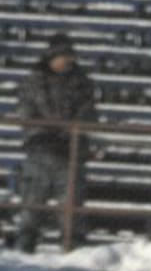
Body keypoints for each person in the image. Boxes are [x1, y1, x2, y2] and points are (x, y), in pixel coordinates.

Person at [16, 32, 97, 253]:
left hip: (70, 151)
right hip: (40, 150)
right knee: (32, 203)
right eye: (63, 55)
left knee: (71, 207)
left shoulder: (82, 83)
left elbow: (88, 114)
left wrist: (70, 134)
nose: (68, 60)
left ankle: (73, 247)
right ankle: (25, 244)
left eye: (70, 55)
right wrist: (45, 133)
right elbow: (26, 113)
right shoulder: (33, 82)